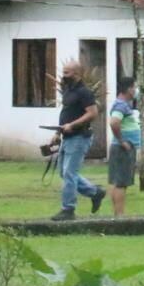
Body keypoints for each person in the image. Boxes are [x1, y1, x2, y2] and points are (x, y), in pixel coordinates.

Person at [51, 59, 107, 221]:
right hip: (67, 137)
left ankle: (68, 209)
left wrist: (72, 125)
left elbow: (92, 113)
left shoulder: (84, 92)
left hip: (79, 137)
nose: (63, 75)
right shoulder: (68, 91)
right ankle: (95, 192)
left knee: (69, 173)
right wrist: (57, 133)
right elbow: (66, 114)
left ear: (76, 74)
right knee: (64, 172)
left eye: (67, 72)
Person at [107, 77, 142, 216]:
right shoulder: (121, 105)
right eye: (135, 87)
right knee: (121, 183)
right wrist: (122, 141)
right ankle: (120, 215)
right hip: (122, 149)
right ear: (128, 89)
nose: (136, 90)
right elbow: (114, 123)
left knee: (118, 182)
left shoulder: (123, 105)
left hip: (122, 147)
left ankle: (118, 214)